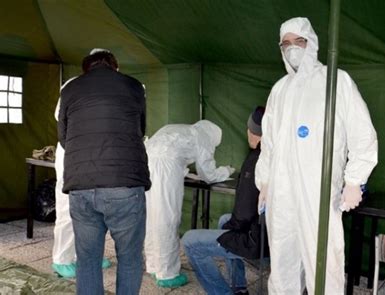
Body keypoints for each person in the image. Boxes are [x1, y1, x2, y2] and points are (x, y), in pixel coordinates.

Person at [255, 17, 378, 294]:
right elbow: (269, 145)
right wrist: (264, 181)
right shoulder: (279, 89)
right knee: (283, 264)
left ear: (313, 44)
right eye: (285, 43)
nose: (292, 48)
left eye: (299, 41)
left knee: (323, 266)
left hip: (318, 194)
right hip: (281, 195)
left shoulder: (336, 81)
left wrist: (354, 180)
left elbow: (363, 134)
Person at [57, 49, 151, 295]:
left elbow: (64, 138)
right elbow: (139, 129)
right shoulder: (133, 86)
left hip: (81, 186)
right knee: (129, 258)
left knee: (87, 260)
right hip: (125, 186)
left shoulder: (70, 89)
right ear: (115, 67)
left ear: (85, 69)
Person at [182, 106, 268, 295]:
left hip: (257, 241)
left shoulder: (256, 160)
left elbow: (244, 212)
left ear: (254, 132)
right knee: (223, 220)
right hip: (270, 232)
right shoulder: (275, 154)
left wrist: (232, 229)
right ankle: (239, 287)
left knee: (189, 241)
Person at [144, 120, 235, 288]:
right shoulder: (204, 137)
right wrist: (226, 170)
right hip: (166, 168)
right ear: (214, 136)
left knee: (152, 216)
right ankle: (167, 273)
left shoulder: (181, 129)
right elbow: (208, 174)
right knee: (167, 218)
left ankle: (153, 264)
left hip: (146, 163)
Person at [51, 80, 111, 278]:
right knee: (68, 210)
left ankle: (88, 256)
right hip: (72, 157)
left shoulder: (103, 87)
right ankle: (62, 259)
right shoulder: (73, 86)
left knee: (92, 212)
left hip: (92, 159)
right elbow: (62, 118)